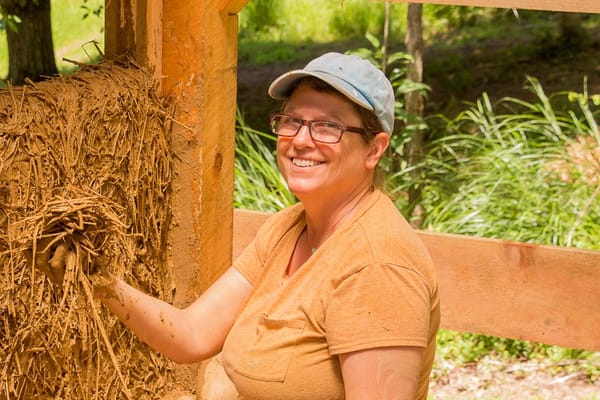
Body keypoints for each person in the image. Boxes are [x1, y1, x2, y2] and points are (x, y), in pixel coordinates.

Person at [37, 52, 440, 400]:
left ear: (374, 148)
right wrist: (102, 280)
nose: (301, 140)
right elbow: (191, 333)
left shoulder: (377, 266)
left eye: (328, 126)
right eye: (292, 121)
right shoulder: (289, 227)